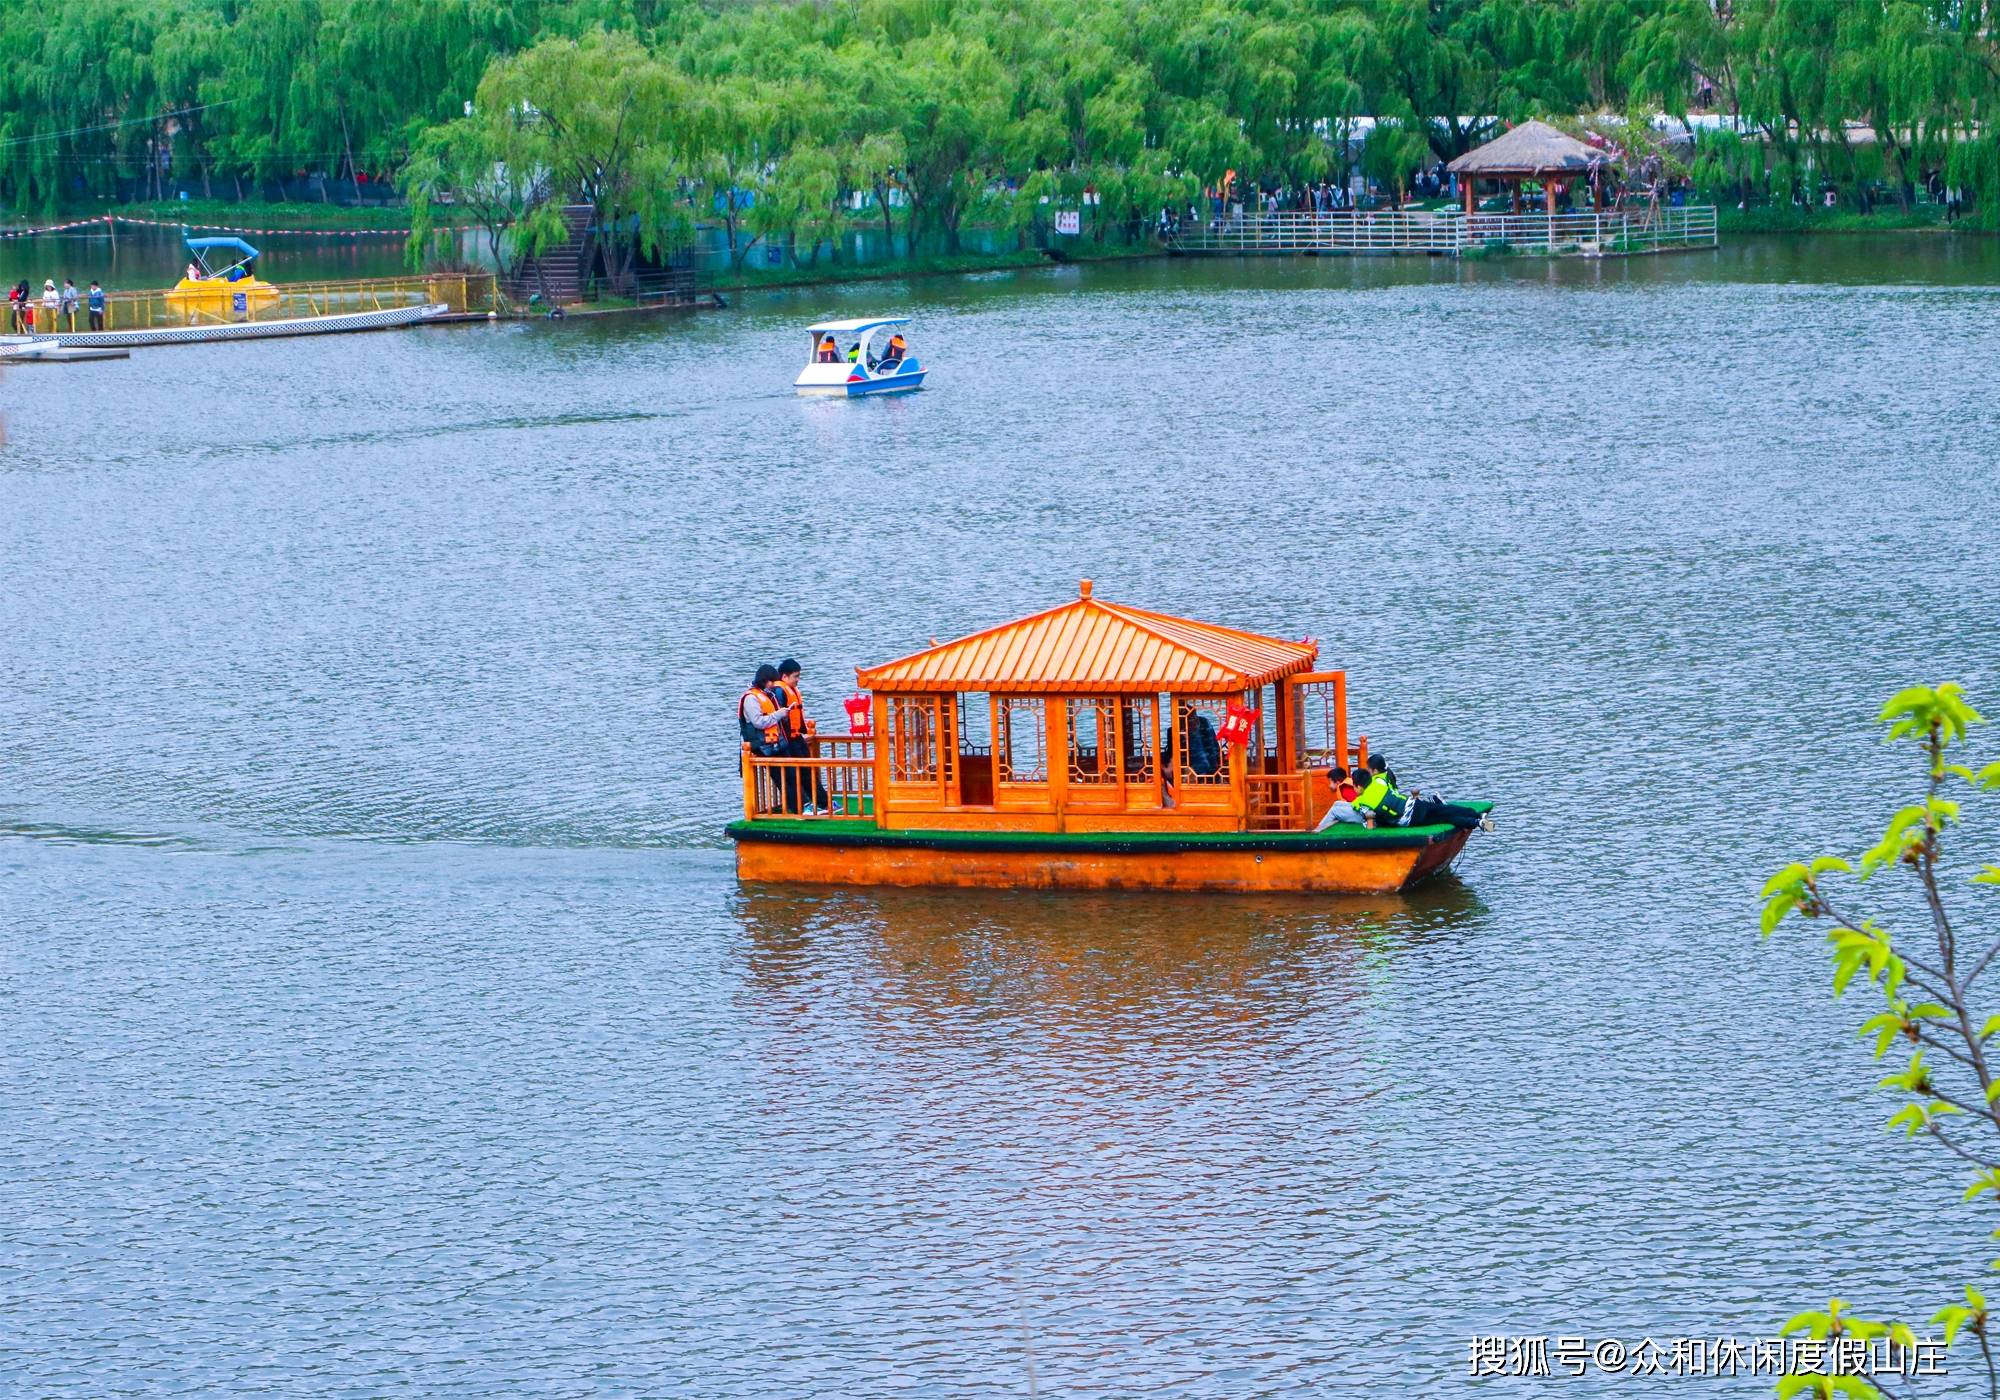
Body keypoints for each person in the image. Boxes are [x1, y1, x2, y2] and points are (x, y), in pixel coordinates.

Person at [1354, 770, 1493, 833]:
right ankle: (1478, 815)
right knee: (1446, 810)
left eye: (1354, 787)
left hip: (1409, 819)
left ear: (1359, 786)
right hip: (1414, 804)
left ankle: (1477, 823)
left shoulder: (1363, 802)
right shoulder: (1379, 784)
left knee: (1446, 818)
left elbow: (1369, 822)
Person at [773, 658, 827, 816]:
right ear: (784, 677)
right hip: (788, 740)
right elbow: (779, 717)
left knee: (808, 770)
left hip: (797, 737)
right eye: (795, 676)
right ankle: (804, 805)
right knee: (793, 774)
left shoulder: (790, 690)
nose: (798, 680)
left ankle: (821, 802)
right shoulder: (779, 691)